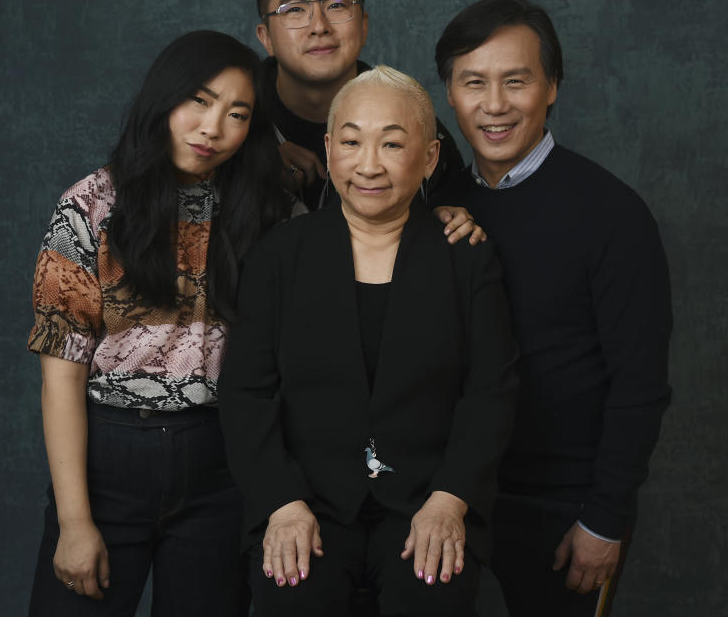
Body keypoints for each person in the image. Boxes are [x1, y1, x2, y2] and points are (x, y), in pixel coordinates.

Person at [219, 66, 519, 617]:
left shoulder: (466, 257)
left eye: (393, 143)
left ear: (428, 158)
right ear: (331, 149)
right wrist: (282, 504)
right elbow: (245, 394)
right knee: (294, 598)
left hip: (427, 500)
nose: (370, 165)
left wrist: (450, 500)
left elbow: (491, 393)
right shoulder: (278, 256)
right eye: (352, 142)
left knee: (431, 593)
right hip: (307, 502)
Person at [26, 30, 290, 616]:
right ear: (162, 99)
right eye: (198, 100)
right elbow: (61, 378)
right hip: (109, 461)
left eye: (237, 113)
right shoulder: (90, 206)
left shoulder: (262, 210)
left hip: (221, 465)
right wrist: (75, 522)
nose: (212, 127)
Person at [433, 0, 673, 616]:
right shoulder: (433, 208)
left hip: (566, 506)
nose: (493, 105)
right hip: (452, 496)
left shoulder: (611, 213)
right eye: (472, 83)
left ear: (552, 87)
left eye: (516, 81)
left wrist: (605, 519)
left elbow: (640, 384)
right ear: (449, 94)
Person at [254, 0, 478, 246]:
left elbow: (456, 216)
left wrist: (447, 217)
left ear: (363, 25)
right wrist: (256, 161)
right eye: (294, 10)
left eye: (337, 5)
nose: (319, 26)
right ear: (265, 37)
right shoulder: (238, 120)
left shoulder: (413, 122)